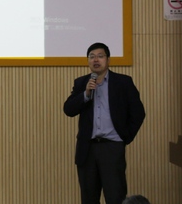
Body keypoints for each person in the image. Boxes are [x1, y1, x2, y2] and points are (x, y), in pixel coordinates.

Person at [63, 42, 146, 204]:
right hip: (87, 150)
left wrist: (125, 137)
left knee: (115, 197)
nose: (96, 60)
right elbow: (68, 109)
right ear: (88, 61)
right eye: (92, 57)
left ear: (108, 60)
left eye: (100, 56)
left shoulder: (123, 82)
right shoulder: (81, 83)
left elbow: (138, 112)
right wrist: (86, 94)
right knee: (89, 199)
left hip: (112, 147)